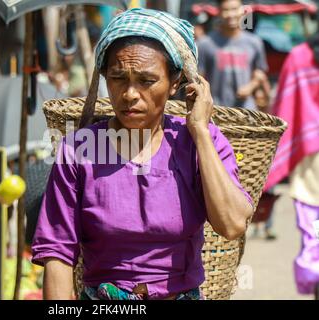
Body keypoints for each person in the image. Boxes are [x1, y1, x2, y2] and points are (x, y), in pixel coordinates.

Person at [31, 8, 253, 300]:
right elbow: (57, 252)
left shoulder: (197, 142)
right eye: (118, 78)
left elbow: (232, 223)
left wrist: (199, 129)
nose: (129, 94)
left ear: (175, 83)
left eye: (146, 81)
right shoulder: (79, 150)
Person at [264, 34, 319, 299]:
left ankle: (314, 275)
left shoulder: (299, 56)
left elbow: (285, 107)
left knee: (315, 229)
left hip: (312, 161)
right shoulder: (299, 55)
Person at [196, 0, 270, 111]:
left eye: (234, 9)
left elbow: (259, 73)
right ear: (219, 12)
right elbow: (198, 78)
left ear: (242, 11)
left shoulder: (254, 42)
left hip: (247, 111)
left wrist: (250, 87)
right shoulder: (204, 44)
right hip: (216, 110)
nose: (231, 15)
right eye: (226, 10)